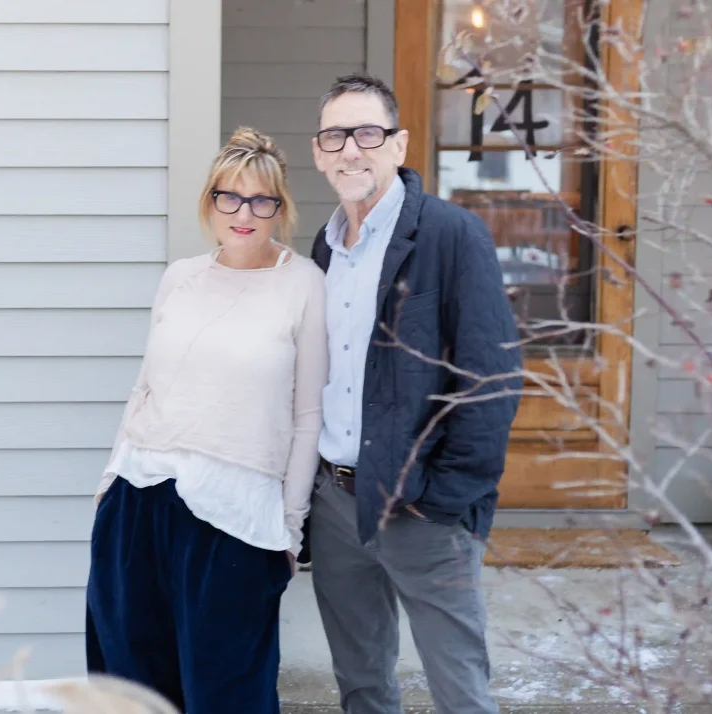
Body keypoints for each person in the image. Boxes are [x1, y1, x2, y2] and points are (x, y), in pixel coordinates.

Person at [84, 126, 329, 714]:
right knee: (132, 690)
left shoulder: (304, 284)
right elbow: (146, 386)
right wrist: (107, 485)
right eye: (230, 197)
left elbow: (308, 417)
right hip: (138, 499)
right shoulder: (180, 277)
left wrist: (289, 528)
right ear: (210, 201)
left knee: (228, 695)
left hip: (235, 518)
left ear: (280, 207)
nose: (244, 214)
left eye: (260, 200)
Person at [305, 73, 523, 714]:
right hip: (337, 503)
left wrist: (445, 500)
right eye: (335, 136)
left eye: (367, 134)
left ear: (398, 145)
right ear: (318, 153)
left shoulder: (452, 235)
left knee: (460, 693)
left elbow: (492, 379)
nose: (351, 149)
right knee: (362, 685)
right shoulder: (325, 247)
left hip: (422, 508)